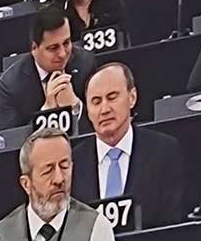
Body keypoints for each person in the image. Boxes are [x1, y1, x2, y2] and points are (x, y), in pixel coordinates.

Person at [74, 61, 185, 228]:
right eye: (96, 102)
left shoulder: (164, 150)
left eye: (112, 97)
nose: (104, 109)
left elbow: (172, 223)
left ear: (132, 97)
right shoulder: (73, 162)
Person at [0, 6, 82, 134]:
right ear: (34, 48)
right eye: (53, 48)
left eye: (66, 43)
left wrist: (76, 107)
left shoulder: (85, 62)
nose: (62, 54)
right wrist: (47, 111)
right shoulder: (10, 85)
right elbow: (12, 140)